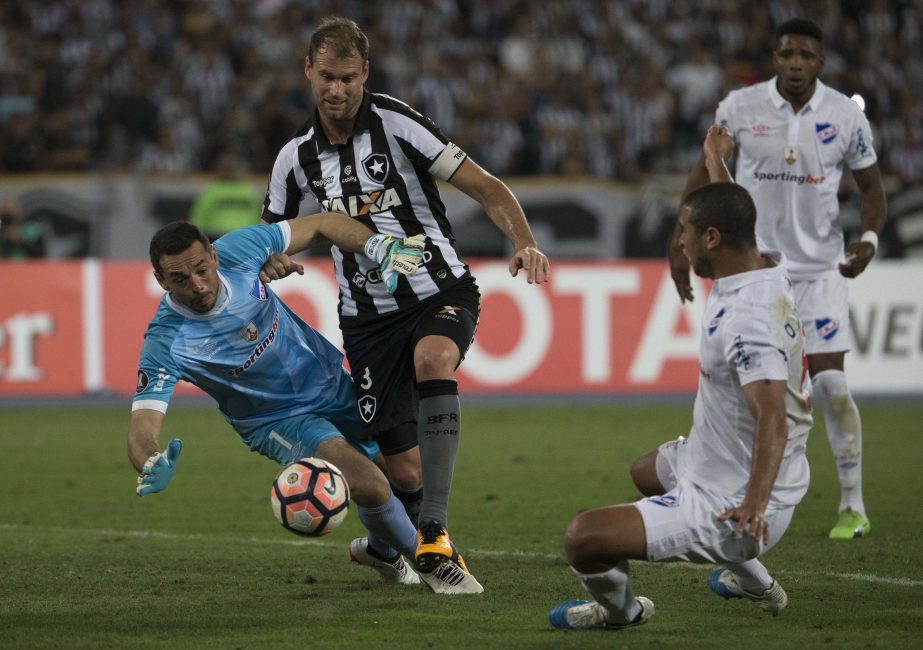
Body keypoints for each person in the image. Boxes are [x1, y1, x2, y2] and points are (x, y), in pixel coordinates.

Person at [258, 16, 550, 589]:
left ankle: (435, 532)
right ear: (308, 74)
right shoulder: (295, 159)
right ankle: (385, 546)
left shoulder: (398, 124)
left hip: (439, 288)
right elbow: (271, 236)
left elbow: (488, 187)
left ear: (365, 73)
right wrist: (275, 261)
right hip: (367, 325)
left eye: (347, 77)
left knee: (434, 360)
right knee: (402, 470)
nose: (336, 90)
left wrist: (525, 242)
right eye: (326, 78)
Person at [127, 216, 481, 595]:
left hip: (331, 383)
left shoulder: (240, 250)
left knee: (405, 473)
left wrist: (376, 246)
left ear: (213, 256)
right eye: (180, 280)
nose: (197, 286)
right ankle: (436, 565)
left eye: (201, 270)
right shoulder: (167, 340)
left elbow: (323, 223)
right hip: (277, 420)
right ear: (161, 281)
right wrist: (151, 459)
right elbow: (142, 429)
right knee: (371, 484)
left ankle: (380, 550)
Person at [549, 137, 812, 630]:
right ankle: (756, 583)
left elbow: (772, 417)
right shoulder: (764, 263)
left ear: (713, 238)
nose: (680, 241)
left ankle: (621, 612)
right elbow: (730, 206)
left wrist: (753, 505)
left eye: (686, 233)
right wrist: (714, 159)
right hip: (720, 464)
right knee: (646, 471)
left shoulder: (749, 319)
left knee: (584, 538)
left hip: (734, 502)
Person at [668, 17, 885, 540]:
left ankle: (852, 505)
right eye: (787, 54)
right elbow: (705, 174)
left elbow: (873, 192)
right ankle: (726, 494)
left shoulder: (845, 116)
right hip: (751, 271)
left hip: (818, 272)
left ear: (820, 62)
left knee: (830, 384)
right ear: (775, 58)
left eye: (805, 56)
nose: (794, 64)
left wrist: (870, 239)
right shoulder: (739, 108)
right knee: (745, 393)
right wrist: (680, 240)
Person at [188, 150, 263, 241]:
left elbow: (259, 219)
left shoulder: (249, 192)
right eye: (225, 167)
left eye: (231, 166)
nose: (228, 169)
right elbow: (197, 221)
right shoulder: (210, 192)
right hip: (216, 238)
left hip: (245, 238)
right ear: (219, 168)